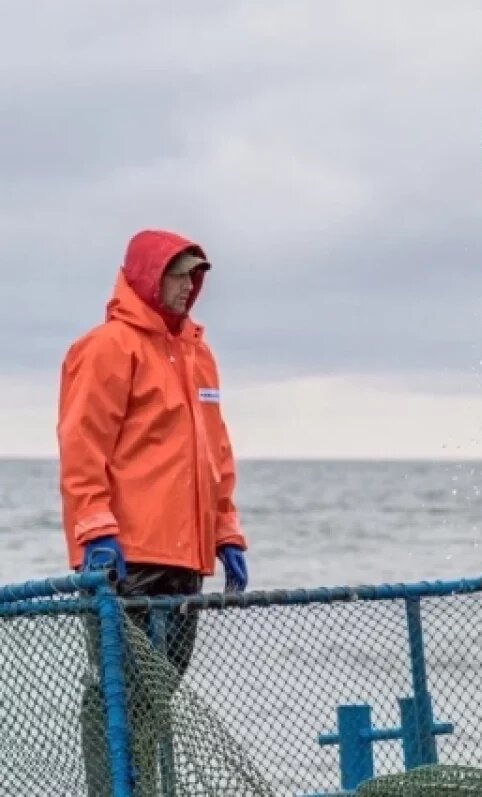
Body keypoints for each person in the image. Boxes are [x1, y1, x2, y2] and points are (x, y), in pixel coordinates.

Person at [56, 228, 249, 794]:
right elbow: (82, 445)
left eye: (196, 274)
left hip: (184, 560)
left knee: (159, 693)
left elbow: (215, 452)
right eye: (179, 272)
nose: (190, 285)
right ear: (148, 274)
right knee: (115, 695)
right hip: (124, 560)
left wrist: (227, 532)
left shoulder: (199, 354)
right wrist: (95, 530)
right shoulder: (107, 348)